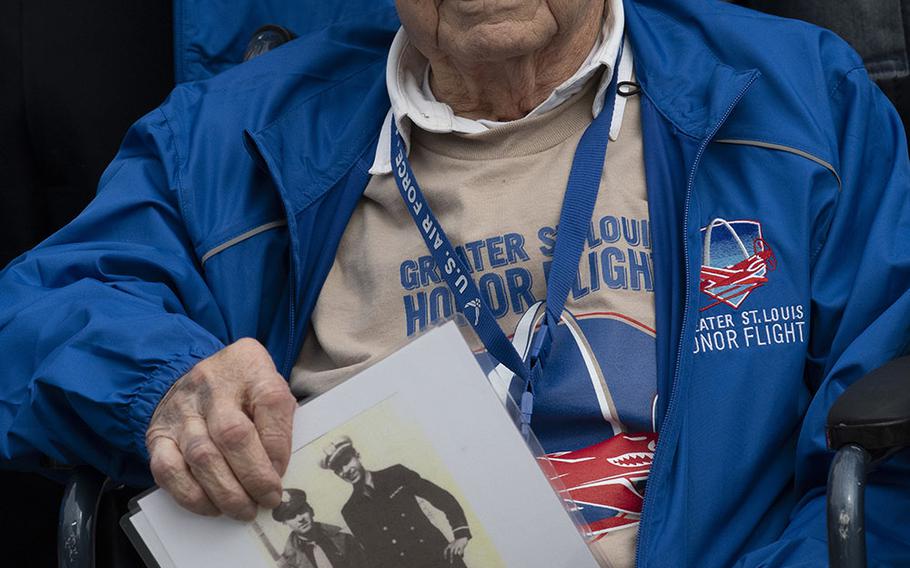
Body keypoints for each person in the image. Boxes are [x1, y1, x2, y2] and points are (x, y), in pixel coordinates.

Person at [0, 1, 909, 567]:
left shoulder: (796, 99)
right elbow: (35, 314)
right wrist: (161, 385)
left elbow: (893, 450)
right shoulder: (230, 136)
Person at [320, 436, 471, 568]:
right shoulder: (351, 510)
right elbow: (375, 555)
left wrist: (461, 534)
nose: (345, 470)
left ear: (357, 455)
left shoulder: (396, 475)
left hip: (440, 558)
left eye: (347, 461)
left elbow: (441, 497)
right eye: (339, 469)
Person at [270, 488, 367, 568]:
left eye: (301, 510)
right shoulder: (287, 563)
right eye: (291, 516)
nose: (300, 519)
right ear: (285, 522)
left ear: (311, 510)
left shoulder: (345, 540)